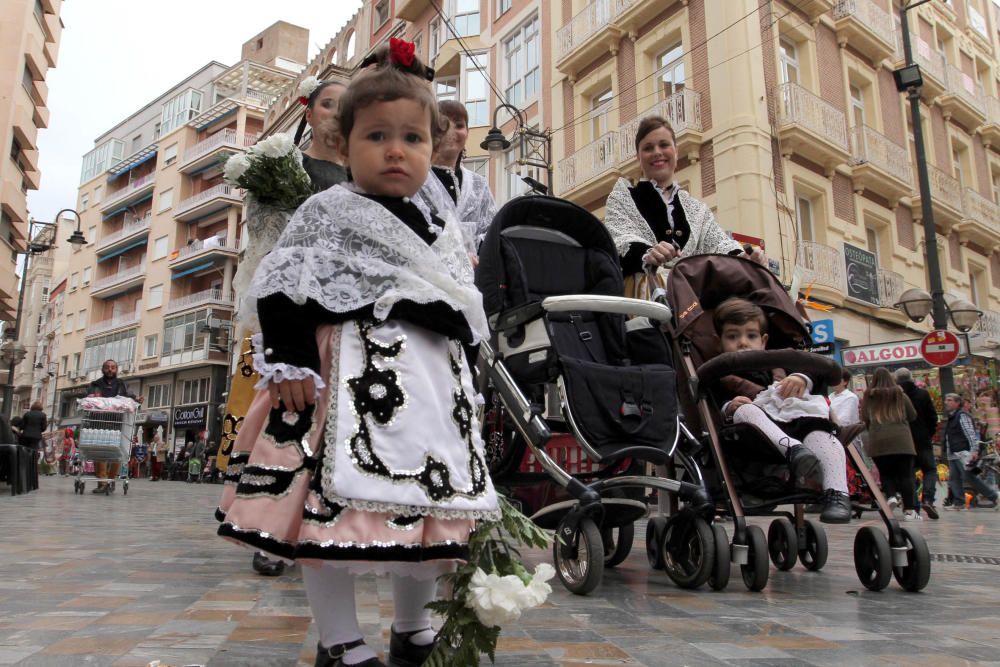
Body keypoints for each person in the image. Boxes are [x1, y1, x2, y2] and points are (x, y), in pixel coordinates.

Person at [218, 41, 499, 667]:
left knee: (428, 511)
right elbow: (284, 286)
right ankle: (340, 640)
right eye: (377, 136)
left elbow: (461, 307)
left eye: (413, 138)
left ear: (433, 147)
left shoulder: (441, 227)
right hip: (343, 385)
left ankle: (412, 626)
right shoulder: (327, 211)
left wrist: (467, 385)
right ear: (344, 147)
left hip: (427, 396)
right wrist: (288, 361)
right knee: (331, 515)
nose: (396, 150)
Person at [222, 76, 350, 580]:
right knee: (279, 416)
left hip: (339, 313)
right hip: (286, 308)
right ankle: (267, 525)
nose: (337, 115)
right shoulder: (288, 166)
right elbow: (265, 235)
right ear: (310, 111)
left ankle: (320, 523)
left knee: (331, 422)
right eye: (329, 105)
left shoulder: (361, 173)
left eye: (346, 107)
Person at [712, 297, 851, 523]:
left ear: (764, 340)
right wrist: (729, 407)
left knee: (822, 434)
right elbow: (712, 402)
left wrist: (801, 377)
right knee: (746, 409)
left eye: (751, 335)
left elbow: (814, 371)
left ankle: (837, 494)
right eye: (732, 336)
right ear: (719, 342)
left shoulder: (779, 363)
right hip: (755, 435)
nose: (743, 343)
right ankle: (794, 451)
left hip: (795, 420)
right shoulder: (719, 370)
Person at [604, 116, 764, 294]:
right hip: (643, 297)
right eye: (648, 148)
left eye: (664, 145)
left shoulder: (696, 209)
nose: (657, 152)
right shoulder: (622, 197)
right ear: (638, 157)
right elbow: (619, 239)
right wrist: (649, 253)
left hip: (691, 298)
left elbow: (718, 244)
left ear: (676, 151)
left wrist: (744, 258)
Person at [426, 100, 497, 252]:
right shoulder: (416, 179)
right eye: (443, 124)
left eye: (459, 125)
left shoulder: (479, 185)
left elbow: (492, 233)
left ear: (467, 133)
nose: (451, 131)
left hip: (475, 273)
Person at [862, 368, 921, 521]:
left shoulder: (869, 396)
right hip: (901, 440)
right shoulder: (900, 394)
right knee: (906, 476)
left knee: (886, 473)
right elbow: (912, 415)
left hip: (878, 439)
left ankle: (891, 497)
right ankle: (909, 511)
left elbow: (865, 417)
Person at [86, 360, 140, 493]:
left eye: (113, 367)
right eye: (107, 367)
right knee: (99, 452)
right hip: (98, 422)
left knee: (116, 453)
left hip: (117, 422)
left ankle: (111, 480)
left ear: (116, 369)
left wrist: (137, 398)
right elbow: (89, 396)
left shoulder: (122, 384)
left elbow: (131, 396)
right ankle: (102, 482)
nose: (110, 370)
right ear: (103, 369)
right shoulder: (95, 384)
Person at [895, 367, 940, 519]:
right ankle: (928, 498)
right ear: (911, 378)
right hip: (923, 439)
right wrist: (929, 433)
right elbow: (933, 418)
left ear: (897, 380)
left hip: (904, 440)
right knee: (929, 470)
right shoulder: (923, 394)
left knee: (908, 473)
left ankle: (913, 506)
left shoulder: (896, 397)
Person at [942, 393, 1000, 510]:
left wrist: (974, 450)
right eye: (946, 400)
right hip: (953, 453)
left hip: (962, 453)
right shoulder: (952, 416)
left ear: (957, 403)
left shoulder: (962, 416)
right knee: (954, 478)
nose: (946, 402)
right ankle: (959, 503)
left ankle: (995, 497)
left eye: (950, 400)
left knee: (970, 477)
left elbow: (970, 434)